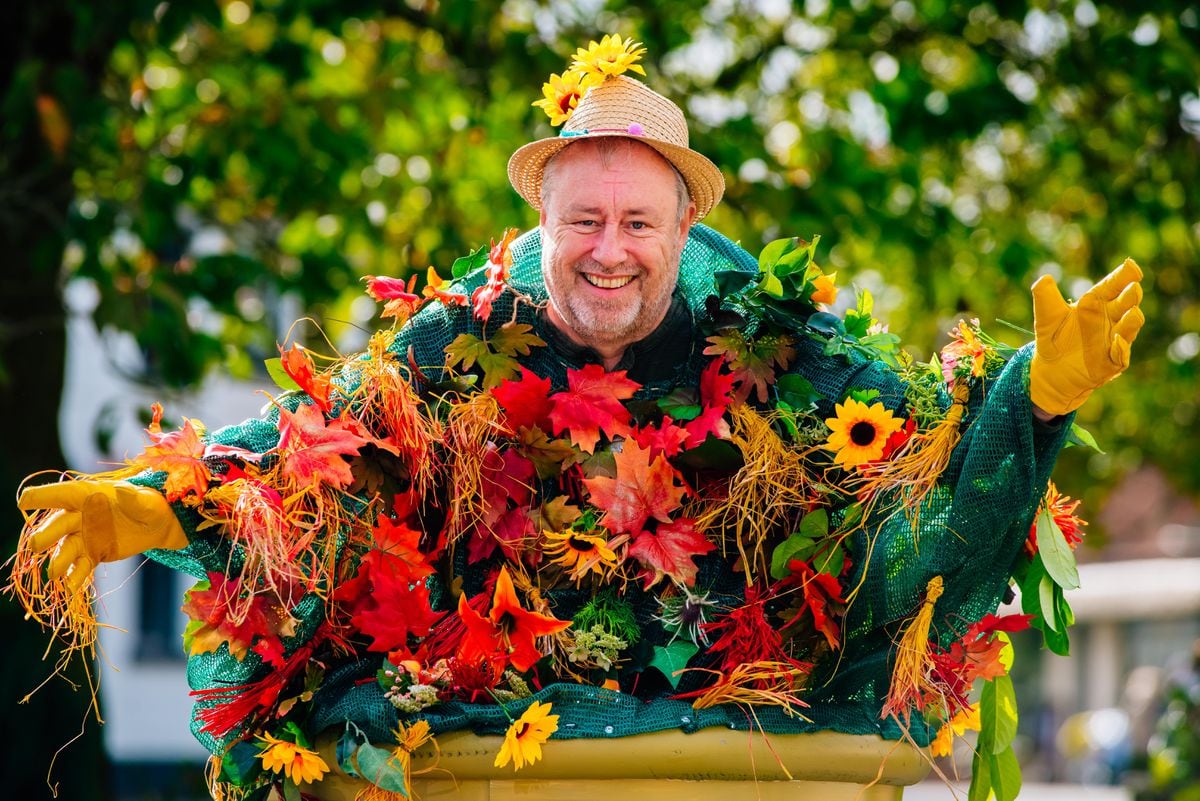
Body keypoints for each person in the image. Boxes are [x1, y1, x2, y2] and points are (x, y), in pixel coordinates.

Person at [12, 35, 1144, 799]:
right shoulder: (457, 339)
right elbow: (312, 446)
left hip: (735, 718)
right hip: (495, 724)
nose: (610, 250)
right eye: (583, 219)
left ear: (683, 225)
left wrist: (1029, 400)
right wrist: (154, 504)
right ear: (538, 222)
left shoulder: (783, 345)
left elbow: (916, 522)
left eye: (639, 222)